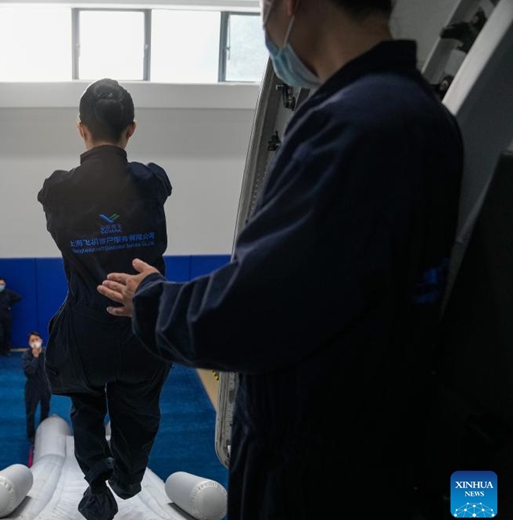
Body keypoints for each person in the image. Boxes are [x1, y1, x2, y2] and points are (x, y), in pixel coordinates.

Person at [97, 1, 463, 518]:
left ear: (289, 5)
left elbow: (253, 311)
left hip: (311, 473)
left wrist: (151, 299)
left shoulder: (352, 125)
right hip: (371, 448)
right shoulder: (427, 118)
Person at [37, 78, 173, 520]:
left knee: (86, 403)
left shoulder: (59, 190)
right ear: (131, 129)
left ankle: (98, 484)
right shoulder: (152, 181)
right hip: (141, 332)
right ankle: (128, 478)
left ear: (81, 129)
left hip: (86, 333)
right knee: (140, 409)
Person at [22, 331, 51, 442]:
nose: (35, 342)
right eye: (32, 340)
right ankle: (31, 435)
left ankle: (44, 431)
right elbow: (30, 372)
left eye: (37, 339)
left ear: (41, 340)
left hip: (45, 386)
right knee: (31, 412)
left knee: (45, 409)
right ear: (29, 343)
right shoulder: (26, 356)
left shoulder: (47, 353)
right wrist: (35, 357)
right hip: (32, 388)